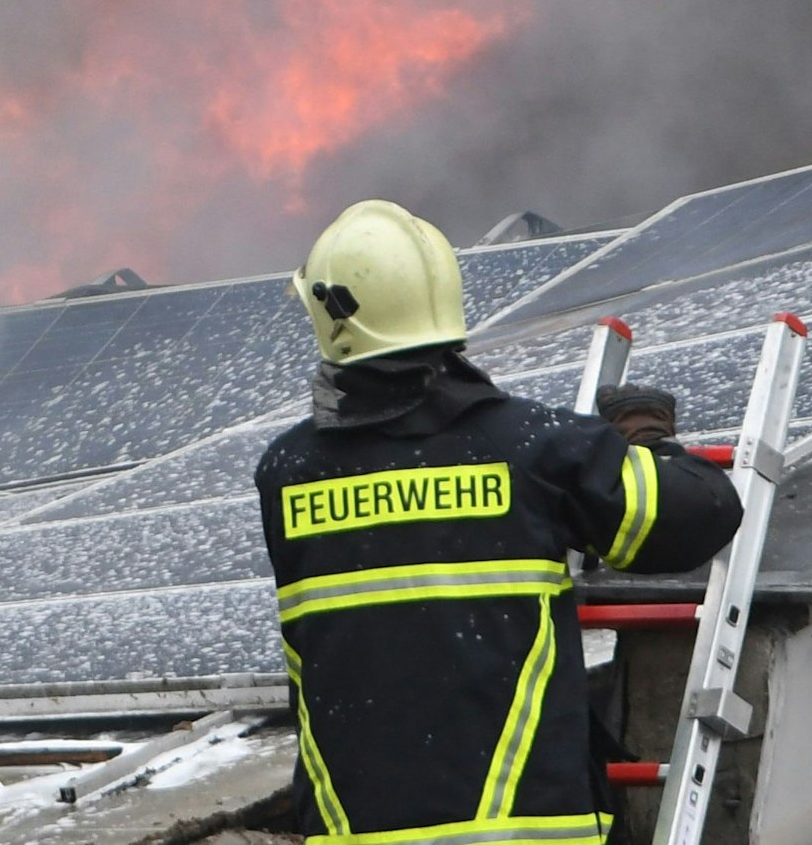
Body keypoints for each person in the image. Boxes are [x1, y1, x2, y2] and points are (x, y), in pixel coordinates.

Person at [256, 199, 744, 843]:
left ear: (330, 312)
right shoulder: (531, 448)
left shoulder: (287, 472)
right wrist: (645, 442)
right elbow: (702, 513)